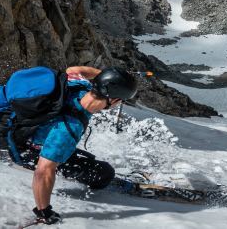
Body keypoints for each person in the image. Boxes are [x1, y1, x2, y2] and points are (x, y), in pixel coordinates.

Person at [17, 66, 138, 226]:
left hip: (24, 136)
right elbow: (43, 172)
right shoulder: (69, 129)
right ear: (114, 100)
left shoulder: (78, 84)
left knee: (71, 156)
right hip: (26, 151)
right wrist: (44, 212)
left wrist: (109, 78)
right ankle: (41, 211)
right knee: (104, 174)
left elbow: (73, 69)